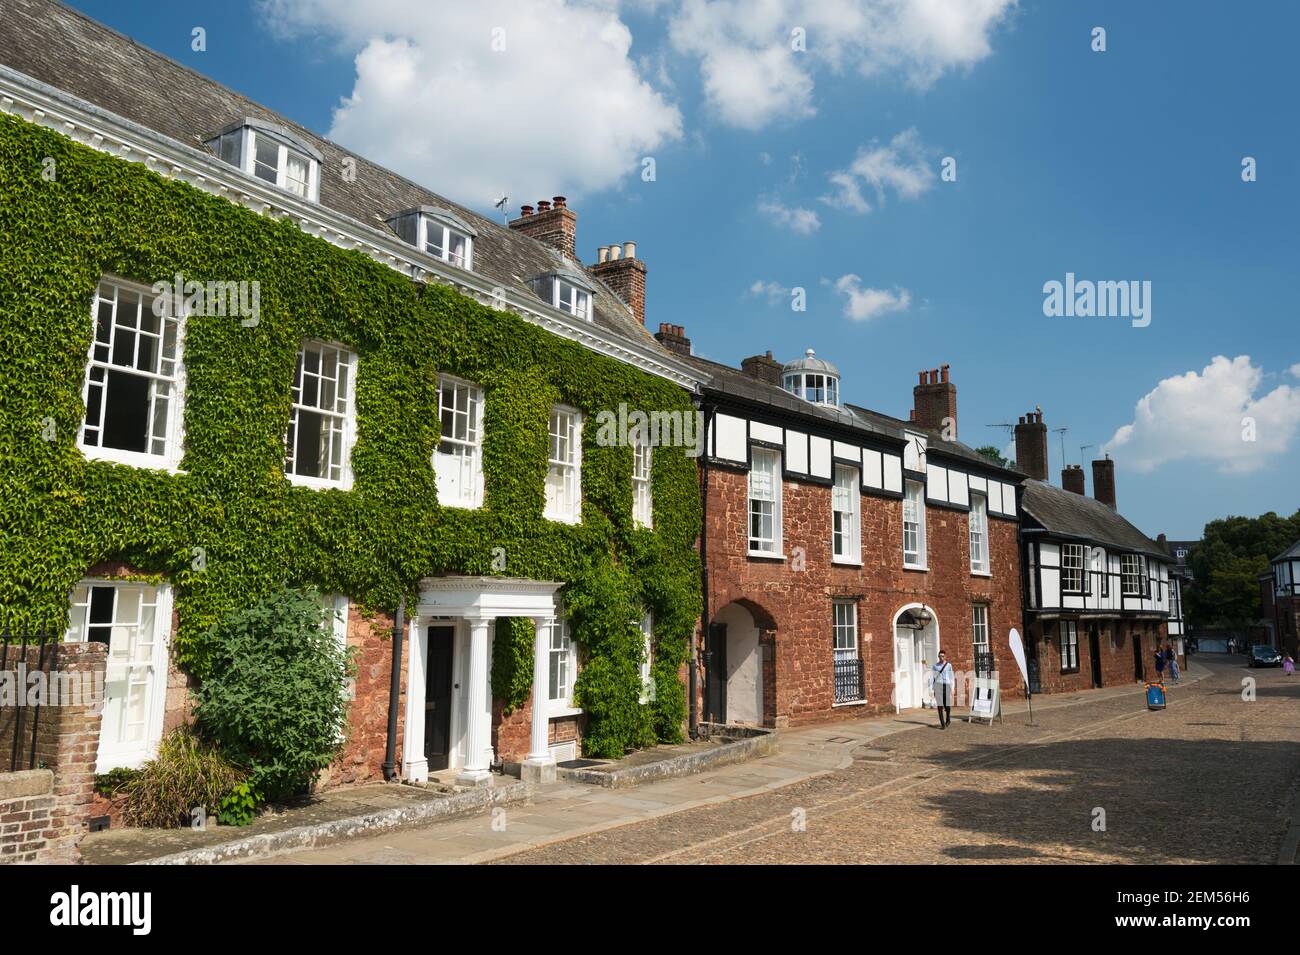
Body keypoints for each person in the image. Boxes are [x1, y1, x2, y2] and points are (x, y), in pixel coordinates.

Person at [932, 650, 955, 728]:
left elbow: (952, 677)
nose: (941, 658)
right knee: (940, 706)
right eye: (939, 656)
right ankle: (943, 724)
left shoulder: (949, 665)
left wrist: (953, 688)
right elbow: (933, 678)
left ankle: (948, 718)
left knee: (947, 706)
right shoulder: (935, 666)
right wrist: (932, 689)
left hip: (946, 686)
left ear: (945, 657)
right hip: (938, 686)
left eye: (942, 656)